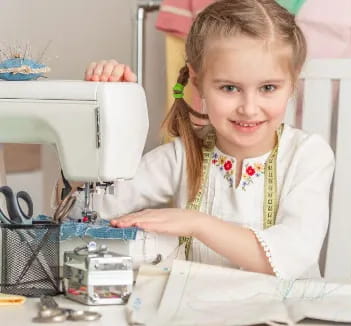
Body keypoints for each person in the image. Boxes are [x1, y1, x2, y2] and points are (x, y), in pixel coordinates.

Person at [74, 0, 334, 279]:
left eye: (268, 87)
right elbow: (88, 206)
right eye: (229, 88)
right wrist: (106, 109)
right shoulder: (181, 156)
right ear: (197, 83)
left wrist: (197, 224)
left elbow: (292, 253)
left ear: (293, 83)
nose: (249, 107)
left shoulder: (308, 156)